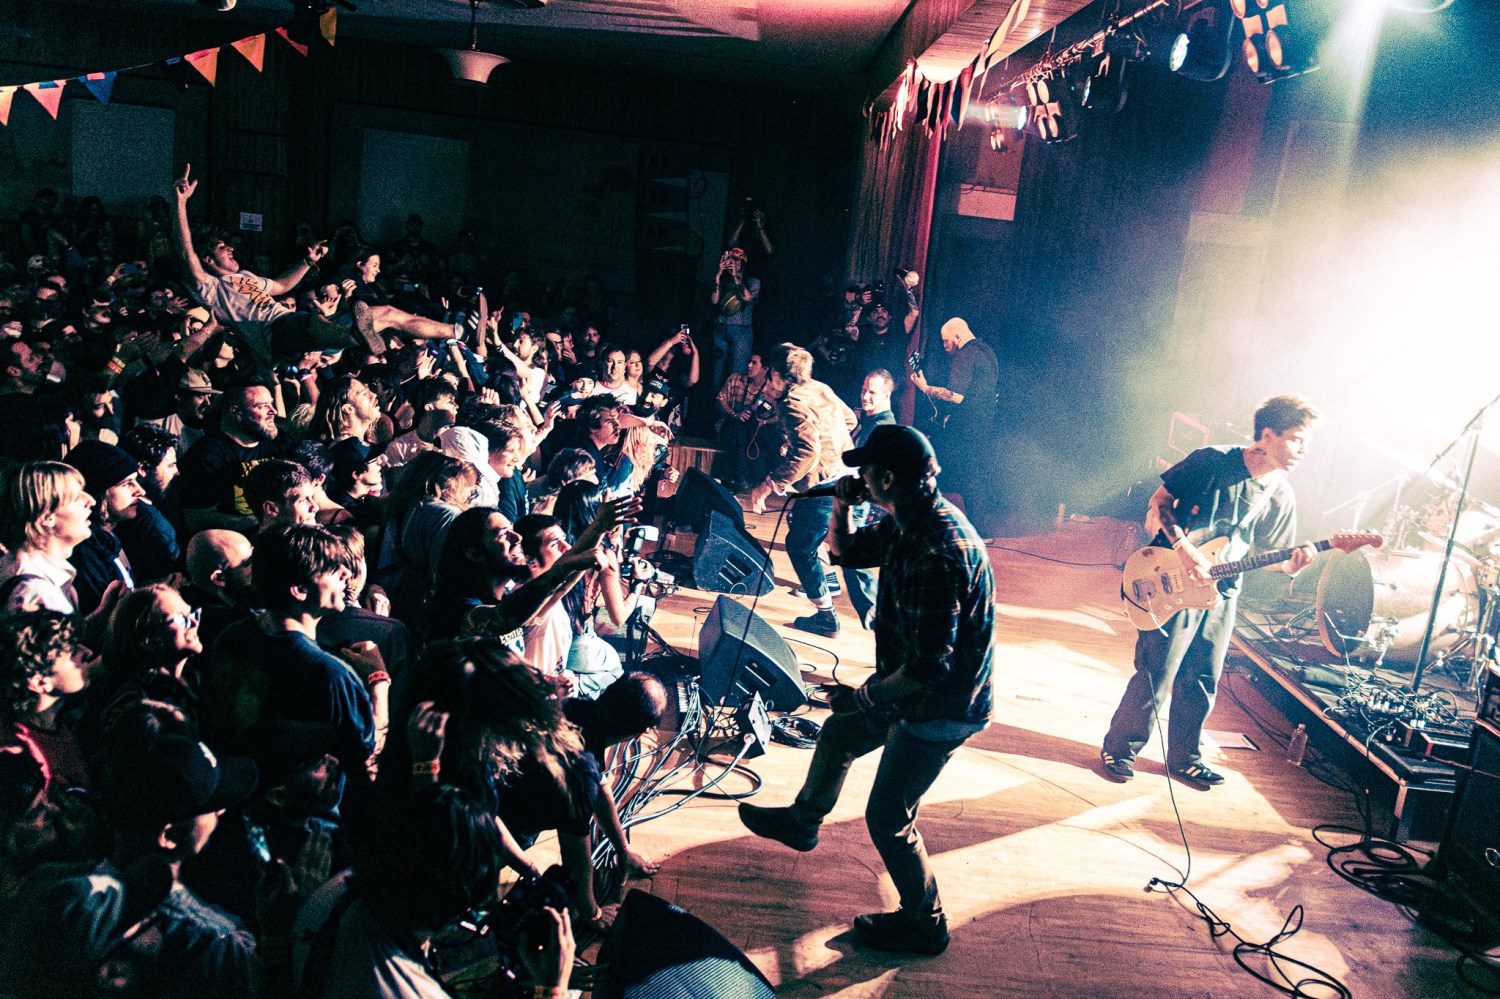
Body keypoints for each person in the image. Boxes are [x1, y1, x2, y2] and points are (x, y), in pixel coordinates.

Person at [737, 424, 995, 956]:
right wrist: (842, 504)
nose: (860, 478)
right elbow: (848, 551)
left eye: (866, 473)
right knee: (839, 734)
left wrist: (864, 696)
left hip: (940, 707)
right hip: (914, 689)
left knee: (888, 817)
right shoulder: (909, 519)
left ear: (888, 478)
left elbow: (927, 668)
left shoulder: (936, 551)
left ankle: (926, 923)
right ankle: (803, 822)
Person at [1101, 394, 1320, 788]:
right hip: (1170, 576)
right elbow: (1160, 501)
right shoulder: (1211, 461)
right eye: (1295, 439)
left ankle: (1185, 758)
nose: (1303, 450)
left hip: (1222, 592)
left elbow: (1268, 556)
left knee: (1202, 676)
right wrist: (1183, 547)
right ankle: (1120, 749)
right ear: (1267, 435)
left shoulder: (1280, 493)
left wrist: (1292, 565)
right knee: (1157, 671)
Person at [747, 345, 856, 637]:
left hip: (826, 483)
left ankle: (827, 617)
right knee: (809, 536)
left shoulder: (790, 403)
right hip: (845, 475)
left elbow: (808, 452)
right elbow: (849, 420)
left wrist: (768, 485)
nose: (767, 383)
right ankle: (828, 587)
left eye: (770, 375)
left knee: (800, 546)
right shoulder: (820, 388)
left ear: (779, 375)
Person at [909, 317, 998, 524]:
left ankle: (930, 519)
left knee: (950, 470)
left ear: (957, 337)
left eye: (946, 341)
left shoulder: (965, 355)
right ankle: (976, 526)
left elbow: (956, 396)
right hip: (984, 423)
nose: (944, 346)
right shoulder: (987, 352)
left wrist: (926, 388)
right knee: (973, 475)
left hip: (966, 428)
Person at [179, 382, 288, 535]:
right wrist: (263, 520)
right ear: (236, 412)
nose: (273, 411)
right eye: (262, 406)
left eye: (271, 404)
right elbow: (195, 519)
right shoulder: (205, 456)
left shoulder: (279, 442)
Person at [841, 369, 897, 629]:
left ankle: (877, 616)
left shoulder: (881, 428)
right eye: (864, 390)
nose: (865, 396)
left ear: (886, 396)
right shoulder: (870, 421)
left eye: (872, 392)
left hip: (864, 500)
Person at [710, 246, 759, 387]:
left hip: (740, 331)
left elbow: (747, 298)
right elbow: (713, 300)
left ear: (743, 262)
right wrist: (718, 275)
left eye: (736, 260)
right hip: (720, 329)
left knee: (737, 372)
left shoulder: (752, 281)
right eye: (730, 259)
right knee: (717, 373)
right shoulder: (724, 280)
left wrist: (736, 277)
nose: (732, 263)